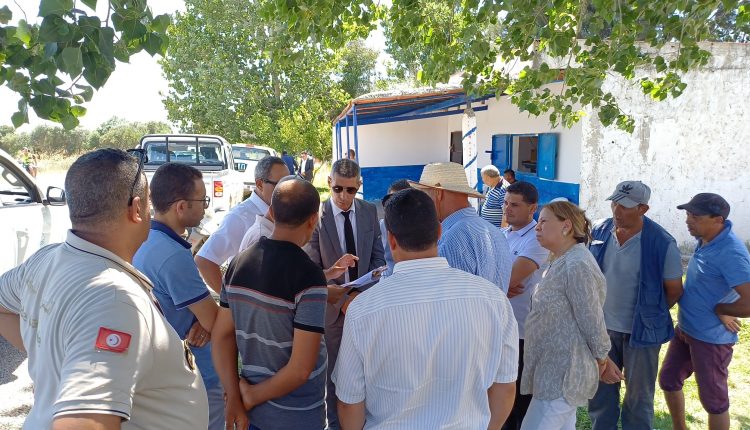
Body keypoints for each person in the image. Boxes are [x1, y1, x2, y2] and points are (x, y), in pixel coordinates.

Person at [0, 148, 208, 429]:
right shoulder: (114, 298)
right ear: (136, 209)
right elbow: (82, 424)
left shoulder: (46, 259)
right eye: (148, 203)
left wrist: (54, 362)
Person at [333, 188, 519, 429]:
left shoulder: (363, 309)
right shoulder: (494, 300)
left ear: (391, 240)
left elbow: (349, 403)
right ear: (439, 232)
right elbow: (505, 388)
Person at [212, 177, 329, 430]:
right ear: (313, 220)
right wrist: (250, 397)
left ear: (272, 212)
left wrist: (234, 395)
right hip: (297, 417)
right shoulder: (309, 276)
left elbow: (221, 337)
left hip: (251, 414)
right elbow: (300, 369)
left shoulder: (238, 264)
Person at [132, 163, 223, 430]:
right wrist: (207, 319)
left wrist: (203, 319)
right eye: (202, 200)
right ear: (181, 206)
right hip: (196, 374)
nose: (205, 208)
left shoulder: (146, 238)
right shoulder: (173, 255)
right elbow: (216, 321)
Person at [587, 181, 684, 430]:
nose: (616, 210)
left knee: (639, 398)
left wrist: (649, 314)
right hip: (602, 329)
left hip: (641, 333)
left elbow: (674, 290)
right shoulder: (599, 230)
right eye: (614, 203)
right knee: (600, 394)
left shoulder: (662, 242)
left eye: (625, 206)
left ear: (643, 209)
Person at [303, 158, 385, 428]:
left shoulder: (369, 211)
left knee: (368, 371)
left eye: (350, 190)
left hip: (365, 305)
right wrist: (344, 298)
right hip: (332, 312)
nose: (343, 196)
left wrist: (360, 295)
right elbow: (311, 268)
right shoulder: (317, 216)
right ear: (329, 183)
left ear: (358, 186)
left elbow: (378, 259)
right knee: (335, 377)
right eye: (338, 189)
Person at [659, 193, 750, 430]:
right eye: (688, 214)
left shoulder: (731, 252)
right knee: (669, 380)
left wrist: (722, 308)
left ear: (718, 220)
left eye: (696, 216)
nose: (688, 220)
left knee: (714, 402)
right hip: (686, 329)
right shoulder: (705, 238)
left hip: (710, 340)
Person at [521, 201, 610, 430]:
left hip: (563, 373)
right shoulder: (562, 259)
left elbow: (592, 318)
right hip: (553, 370)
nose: (537, 227)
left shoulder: (577, 263)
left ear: (566, 226)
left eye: (543, 221)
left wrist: (602, 358)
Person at [411, 162, 512, 292]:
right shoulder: (495, 233)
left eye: (424, 194)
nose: (422, 202)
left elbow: (446, 296)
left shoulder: (451, 238)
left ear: (438, 193)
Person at [195, 156, 289, 293]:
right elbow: (204, 261)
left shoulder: (282, 210)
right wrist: (230, 301)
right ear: (260, 184)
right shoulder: (240, 217)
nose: (288, 190)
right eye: (280, 185)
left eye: (289, 183)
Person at [500, 181, 550, 430]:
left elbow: (511, 278)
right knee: (501, 397)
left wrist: (498, 283)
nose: (507, 209)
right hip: (501, 327)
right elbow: (498, 279)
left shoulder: (537, 239)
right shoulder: (502, 234)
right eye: (505, 203)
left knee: (521, 400)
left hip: (523, 332)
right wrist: (499, 285)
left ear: (532, 208)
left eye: (515, 205)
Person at [379, 179, 412, 276]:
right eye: (391, 202)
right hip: (389, 276)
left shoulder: (421, 225)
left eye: (402, 202)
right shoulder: (382, 225)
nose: (396, 207)